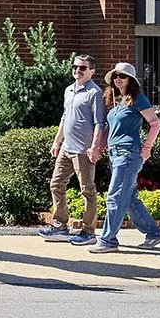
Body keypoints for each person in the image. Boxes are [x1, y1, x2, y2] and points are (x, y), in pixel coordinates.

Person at [80, 62, 160, 252]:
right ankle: (154, 233)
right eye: (116, 76)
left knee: (116, 197)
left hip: (128, 154)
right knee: (129, 198)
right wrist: (100, 146)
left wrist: (146, 149)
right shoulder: (118, 101)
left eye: (122, 76)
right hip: (116, 154)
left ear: (131, 80)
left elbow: (155, 123)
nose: (118, 79)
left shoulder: (138, 99)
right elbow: (111, 128)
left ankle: (108, 240)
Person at [43, 53, 105, 239]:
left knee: (87, 190)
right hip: (66, 148)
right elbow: (65, 117)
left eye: (82, 68)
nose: (77, 70)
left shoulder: (94, 93)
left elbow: (99, 123)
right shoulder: (69, 90)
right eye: (75, 67)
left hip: (83, 151)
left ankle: (88, 231)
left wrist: (94, 147)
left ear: (91, 71)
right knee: (56, 184)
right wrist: (57, 140)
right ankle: (60, 225)